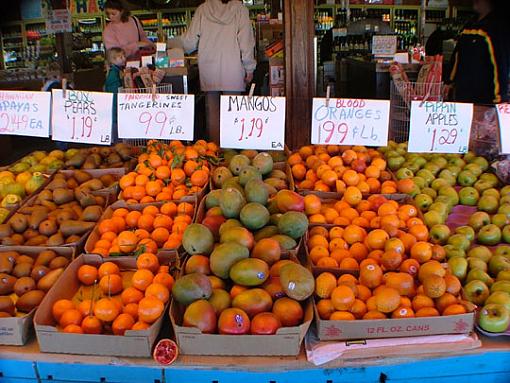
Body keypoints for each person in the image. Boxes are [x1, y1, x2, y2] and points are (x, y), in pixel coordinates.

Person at [178, 0, 256, 144]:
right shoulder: (240, 10)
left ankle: (215, 151)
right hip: (233, 68)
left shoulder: (202, 9)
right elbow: (246, 42)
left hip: (209, 67)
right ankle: (232, 152)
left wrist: (169, 45)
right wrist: (249, 67)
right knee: (233, 113)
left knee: (213, 114)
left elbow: (188, 42)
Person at [445, 0, 510, 104]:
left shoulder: (496, 27)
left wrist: (500, 100)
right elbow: (457, 57)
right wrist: (449, 82)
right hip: (461, 98)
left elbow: (500, 66)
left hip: (485, 102)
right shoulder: (470, 25)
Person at [104, 47, 126, 144]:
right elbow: (115, 94)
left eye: (124, 56)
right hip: (115, 108)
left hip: (114, 108)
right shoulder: (114, 74)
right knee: (117, 131)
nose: (124, 58)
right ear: (113, 60)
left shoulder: (116, 71)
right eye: (120, 57)